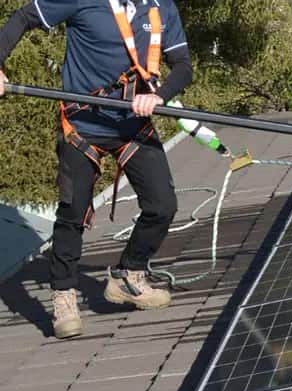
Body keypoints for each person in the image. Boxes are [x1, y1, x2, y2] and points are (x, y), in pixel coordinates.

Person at [0, 0, 193, 339]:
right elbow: (24, 16)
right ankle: (64, 296)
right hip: (82, 126)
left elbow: (183, 67)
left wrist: (159, 96)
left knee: (163, 206)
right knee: (73, 214)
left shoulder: (163, 7)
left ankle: (128, 275)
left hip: (134, 125)